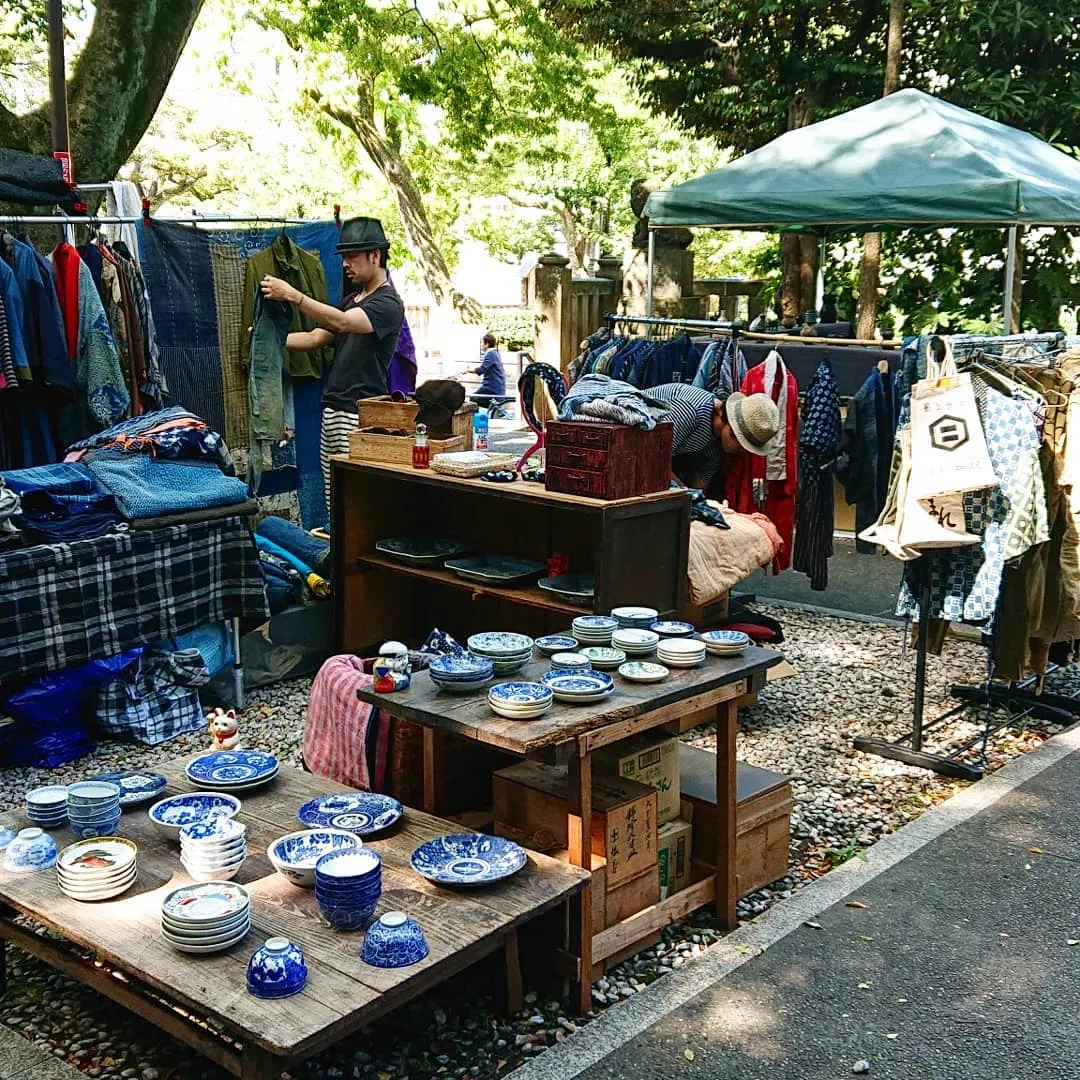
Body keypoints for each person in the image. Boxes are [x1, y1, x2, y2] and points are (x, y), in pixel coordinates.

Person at [259, 216, 404, 518]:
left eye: (352, 256)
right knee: (335, 498)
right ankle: (335, 556)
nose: (346, 264)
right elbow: (315, 337)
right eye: (344, 258)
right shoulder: (352, 299)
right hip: (334, 408)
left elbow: (342, 322)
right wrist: (270, 340)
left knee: (356, 499)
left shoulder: (388, 303)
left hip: (359, 412)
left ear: (375, 255)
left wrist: (293, 295)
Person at [648, 381, 781, 492]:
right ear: (731, 431)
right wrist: (689, 496)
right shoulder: (691, 411)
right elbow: (651, 460)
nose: (743, 452)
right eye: (742, 447)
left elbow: (701, 481)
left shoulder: (717, 442)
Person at [468, 333, 507, 413]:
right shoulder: (495, 353)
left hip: (492, 388)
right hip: (496, 387)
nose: (481, 345)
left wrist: (468, 370)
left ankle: (475, 421)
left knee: (473, 398)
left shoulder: (491, 354)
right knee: (477, 398)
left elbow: (482, 369)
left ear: (487, 344)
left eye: (482, 343)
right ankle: (494, 410)